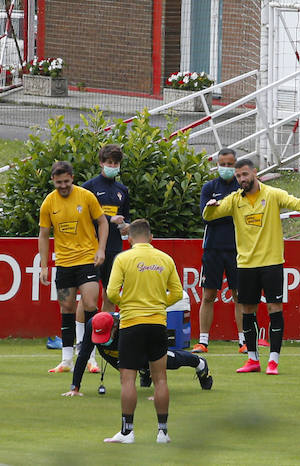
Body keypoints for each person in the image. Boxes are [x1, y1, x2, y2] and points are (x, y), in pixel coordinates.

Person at [203, 158, 300, 375]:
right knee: (247, 310)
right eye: (238, 177)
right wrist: (209, 207)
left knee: (274, 308)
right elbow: (210, 216)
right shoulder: (234, 200)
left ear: (255, 172)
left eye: (244, 174)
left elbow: (296, 202)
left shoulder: (272, 194)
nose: (241, 179)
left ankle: (273, 360)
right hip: (245, 264)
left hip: (272, 263)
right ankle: (253, 359)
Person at [99, 219, 182, 444]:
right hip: (157, 324)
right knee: (161, 379)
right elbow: (177, 292)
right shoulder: (165, 259)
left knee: (128, 379)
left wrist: (128, 303)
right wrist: (158, 304)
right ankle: (163, 432)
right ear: (151, 237)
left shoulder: (124, 258)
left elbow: (112, 292)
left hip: (132, 324)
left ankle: (127, 432)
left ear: (129, 238)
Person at [37, 161, 109, 373]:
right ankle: (66, 359)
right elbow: (43, 234)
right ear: (53, 180)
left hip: (87, 259)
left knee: (89, 304)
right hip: (64, 264)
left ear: (72, 178)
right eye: (59, 182)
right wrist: (44, 266)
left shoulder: (86, 196)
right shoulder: (49, 203)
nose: (63, 186)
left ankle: (90, 357)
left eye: (66, 181)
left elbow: (103, 222)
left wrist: (101, 249)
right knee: (66, 309)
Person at [63, 311, 213, 397]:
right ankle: (144, 370)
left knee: (161, 361)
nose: (102, 342)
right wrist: (75, 387)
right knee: (126, 363)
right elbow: (83, 356)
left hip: (143, 342)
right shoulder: (92, 325)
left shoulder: (128, 328)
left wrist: (158, 393)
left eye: (105, 337)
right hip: (119, 350)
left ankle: (198, 362)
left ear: (115, 327)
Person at [81, 144, 132, 372]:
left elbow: (127, 219)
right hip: (92, 249)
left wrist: (125, 227)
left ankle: (105, 341)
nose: (112, 167)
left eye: (116, 163)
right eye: (109, 163)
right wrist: (108, 218)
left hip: (115, 250)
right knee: (89, 299)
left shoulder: (122, 190)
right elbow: (83, 218)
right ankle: (84, 347)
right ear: (101, 163)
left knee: (110, 295)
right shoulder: (89, 188)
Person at [193, 149, 246, 354]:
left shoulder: (242, 187)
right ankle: (203, 341)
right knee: (208, 295)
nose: (226, 168)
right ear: (217, 164)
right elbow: (206, 217)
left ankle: (244, 341)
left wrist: (219, 210)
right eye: (223, 164)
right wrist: (224, 212)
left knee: (239, 295)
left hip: (238, 249)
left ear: (236, 165)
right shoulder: (209, 187)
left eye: (230, 164)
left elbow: (241, 216)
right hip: (212, 249)